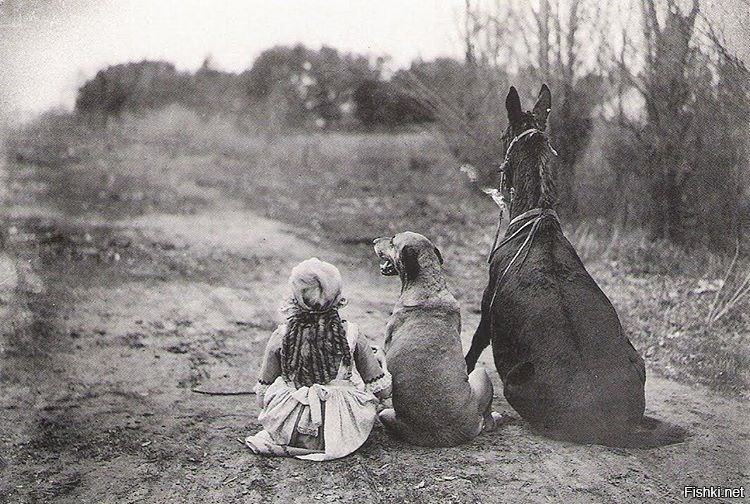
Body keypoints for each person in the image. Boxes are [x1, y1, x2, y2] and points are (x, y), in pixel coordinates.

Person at [245, 258, 392, 460]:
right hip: (340, 432)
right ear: (337, 296)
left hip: (289, 429)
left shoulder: (281, 336)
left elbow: (262, 396)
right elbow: (382, 390)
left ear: (294, 298)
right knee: (357, 386)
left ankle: (295, 440)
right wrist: (382, 362)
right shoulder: (351, 334)